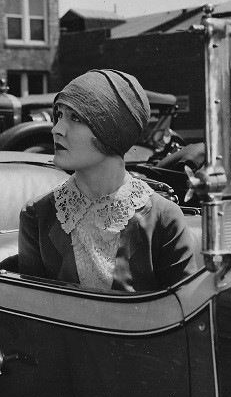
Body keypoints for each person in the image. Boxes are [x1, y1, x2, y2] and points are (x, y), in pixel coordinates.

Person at [18, 69, 195, 291]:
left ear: (111, 131)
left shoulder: (164, 218)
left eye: (75, 117)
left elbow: (183, 311)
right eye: (59, 115)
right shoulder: (37, 215)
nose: (57, 129)